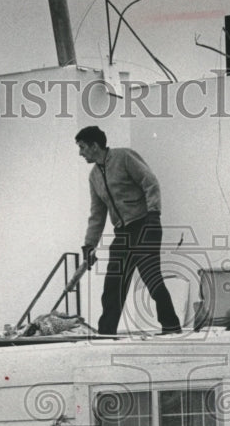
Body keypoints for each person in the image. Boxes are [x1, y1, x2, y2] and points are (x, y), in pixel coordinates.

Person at [75, 125, 182, 336]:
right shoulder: (94, 176)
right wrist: (89, 244)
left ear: (95, 146)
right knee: (112, 286)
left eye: (82, 147)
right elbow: (97, 213)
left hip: (144, 225)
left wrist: (154, 215)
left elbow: (150, 183)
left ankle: (172, 327)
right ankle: (106, 334)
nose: (80, 153)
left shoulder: (124, 157)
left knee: (151, 278)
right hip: (122, 233)